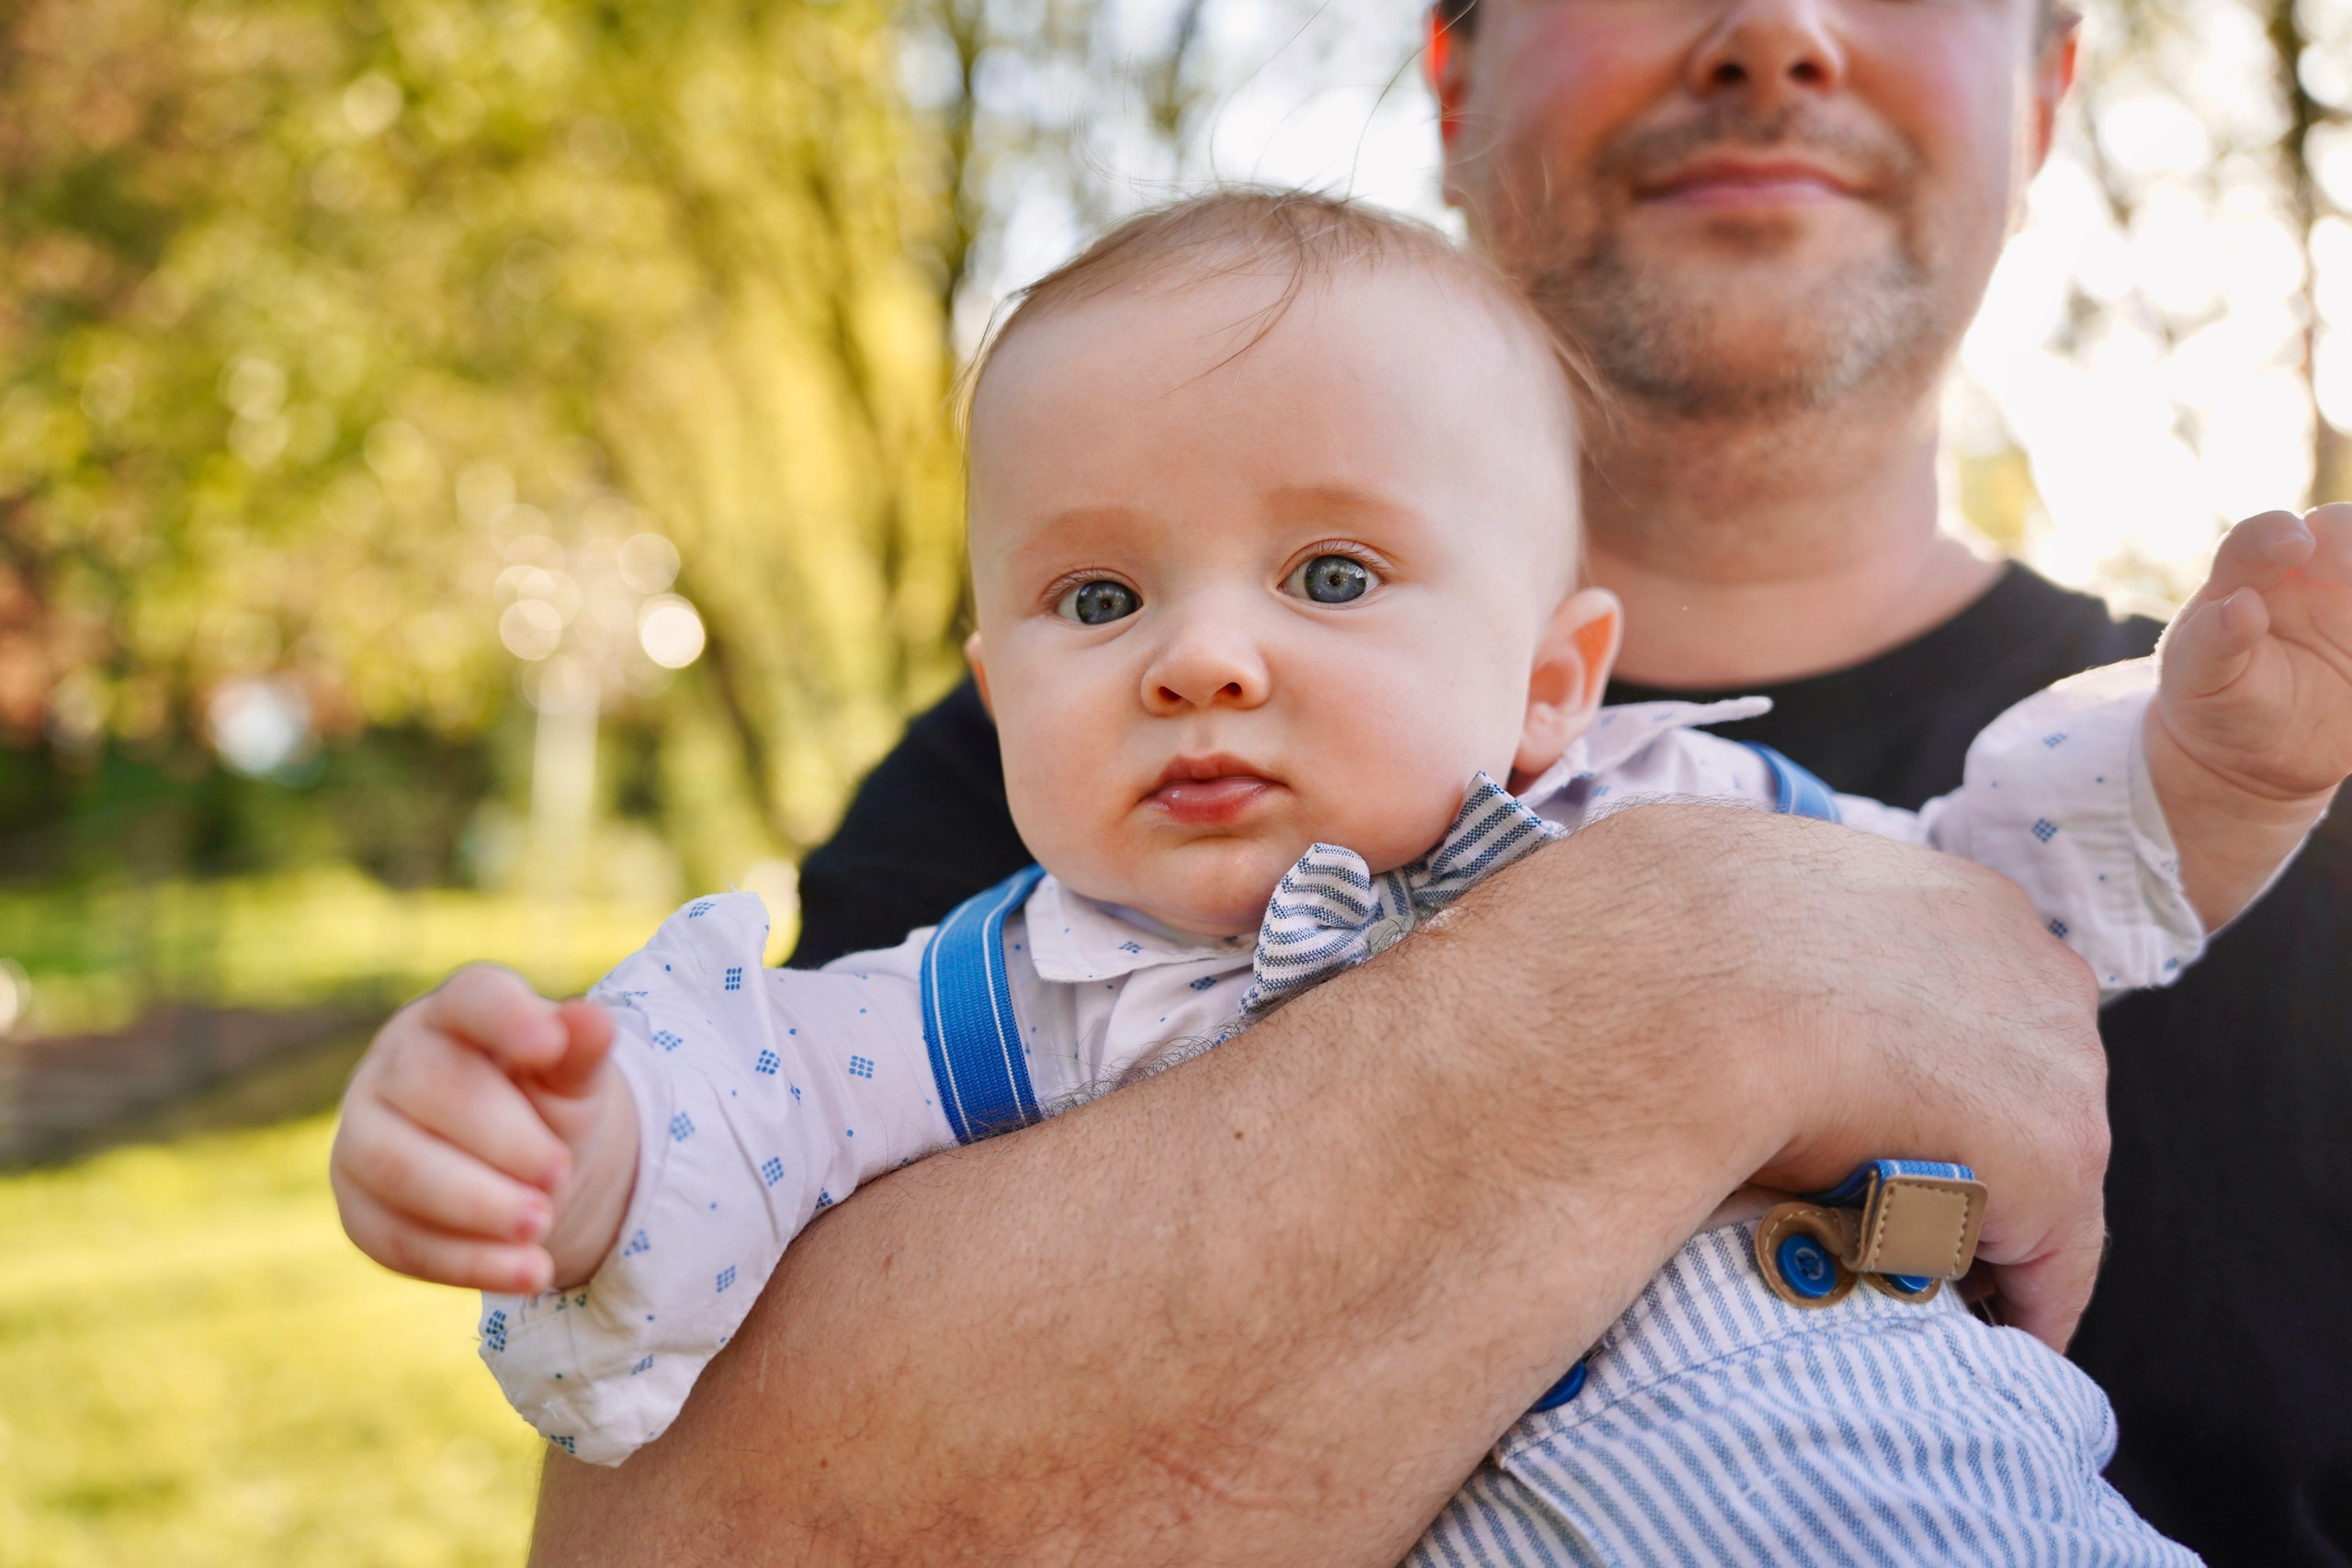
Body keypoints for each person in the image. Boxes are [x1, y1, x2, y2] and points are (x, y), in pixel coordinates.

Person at [334, 1, 2337, 1563]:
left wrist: (2208, 757)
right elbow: (761, 1108)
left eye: (1331, 574)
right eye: (1098, 593)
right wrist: (578, 1154)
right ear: (1449, 77)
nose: (1199, 654)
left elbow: (2009, 905)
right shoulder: (1016, 959)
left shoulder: (1692, 797)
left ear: (1565, 681)